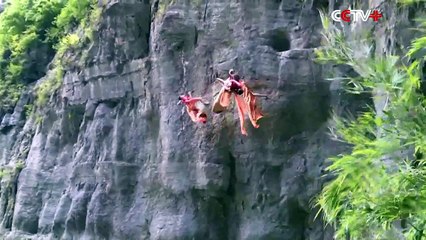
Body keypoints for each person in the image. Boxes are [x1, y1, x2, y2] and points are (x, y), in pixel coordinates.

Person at [212, 69, 266, 136]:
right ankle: (248, 125)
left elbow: (225, 83)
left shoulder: (234, 84)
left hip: (238, 93)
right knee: (244, 111)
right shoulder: (233, 84)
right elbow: (226, 83)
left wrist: (219, 80)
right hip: (237, 93)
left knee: (244, 111)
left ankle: (248, 125)